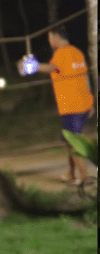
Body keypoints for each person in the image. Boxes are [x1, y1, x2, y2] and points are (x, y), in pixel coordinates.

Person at [19, 25, 95, 185]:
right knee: (68, 140)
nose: (49, 41)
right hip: (84, 104)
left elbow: (50, 68)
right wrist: (92, 101)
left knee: (72, 143)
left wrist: (29, 66)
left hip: (71, 107)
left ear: (55, 37)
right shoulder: (77, 52)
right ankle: (70, 173)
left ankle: (85, 177)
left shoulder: (61, 53)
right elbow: (85, 77)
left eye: (49, 38)